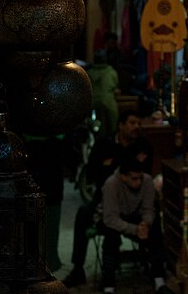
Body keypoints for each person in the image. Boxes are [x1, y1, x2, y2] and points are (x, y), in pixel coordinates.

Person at [62, 111, 154, 288]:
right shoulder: (105, 144)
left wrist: (113, 165)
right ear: (121, 124)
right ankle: (78, 268)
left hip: (134, 200)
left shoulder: (143, 146)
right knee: (83, 214)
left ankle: (152, 263)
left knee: (152, 213)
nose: (136, 127)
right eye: (132, 123)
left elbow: (145, 176)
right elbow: (91, 174)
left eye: (139, 124)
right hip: (105, 198)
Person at [100, 155, 172, 294]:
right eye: (134, 178)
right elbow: (110, 218)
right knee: (110, 237)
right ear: (123, 177)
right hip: (117, 217)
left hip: (138, 217)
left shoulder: (147, 180)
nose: (138, 182)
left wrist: (146, 224)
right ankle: (108, 284)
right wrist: (134, 229)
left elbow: (149, 209)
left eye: (140, 177)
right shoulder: (111, 184)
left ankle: (159, 280)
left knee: (155, 229)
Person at [86, 50, 120, 139]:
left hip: (92, 104)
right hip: (109, 104)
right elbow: (115, 88)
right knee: (111, 132)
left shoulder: (88, 73)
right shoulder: (111, 72)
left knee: (95, 132)